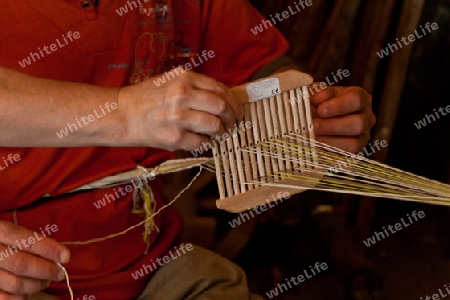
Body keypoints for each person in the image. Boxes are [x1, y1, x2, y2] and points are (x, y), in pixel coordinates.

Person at [0, 0, 376, 299]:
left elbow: (262, 76)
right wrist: (126, 112)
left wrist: (314, 114)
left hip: (150, 265)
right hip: (22, 276)